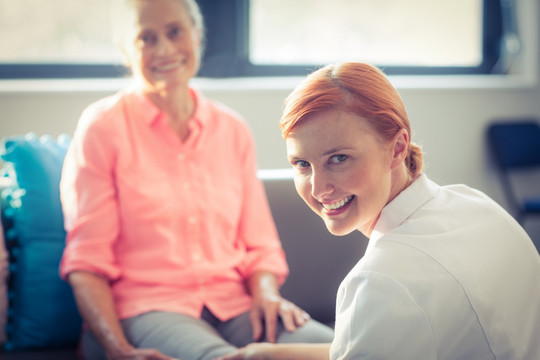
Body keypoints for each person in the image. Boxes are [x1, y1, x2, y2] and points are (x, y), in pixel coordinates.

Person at [58, 1, 333, 359]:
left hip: (234, 303)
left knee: (349, 346)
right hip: (147, 308)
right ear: (126, 49)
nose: (165, 50)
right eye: (146, 38)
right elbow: (86, 262)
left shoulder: (232, 129)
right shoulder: (101, 128)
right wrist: (117, 348)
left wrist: (267, 294)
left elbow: (260, 246)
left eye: (175, 32)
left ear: (197, 35)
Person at [216, 62, 540, 360]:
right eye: (302, 164)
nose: (317, 189)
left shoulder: (381, 281)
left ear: (397, 147)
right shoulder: (475, 204)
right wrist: (260, 355)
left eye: (338, 158)